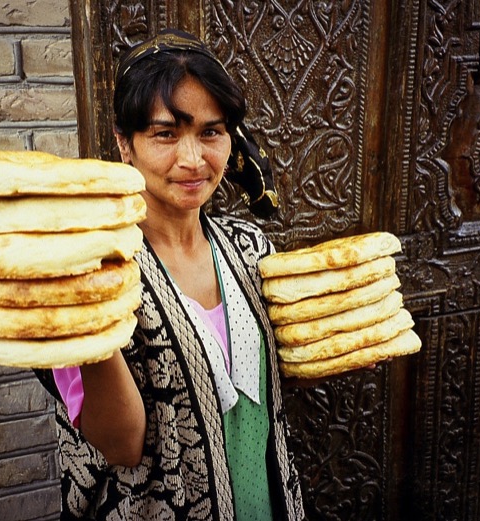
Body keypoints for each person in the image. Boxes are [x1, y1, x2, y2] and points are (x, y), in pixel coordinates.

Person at [36, 28, 304, 520]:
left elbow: (265, 384)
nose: (192, 159)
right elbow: (121, 446)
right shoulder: (88, 269)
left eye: (210, 131)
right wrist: (84, 307)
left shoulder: (250, 250)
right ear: (125, 143)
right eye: (165, 133)